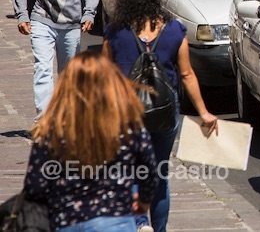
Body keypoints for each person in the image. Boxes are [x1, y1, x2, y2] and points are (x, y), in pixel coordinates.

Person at [103, 0, 218, 232]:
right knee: (159, 175)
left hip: (127, 111)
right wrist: (203, 112)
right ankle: (159, 229)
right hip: (165, 112)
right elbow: (187, 75)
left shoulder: (116, 31)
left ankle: (140, 223)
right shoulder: (174, 31)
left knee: (132, 171)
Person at [24, 51, 159, 232]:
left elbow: (34, 186)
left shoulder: (52, 131)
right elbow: (149, 171)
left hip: (66, 220)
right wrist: (143, 202)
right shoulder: (128, 128)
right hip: (115, 219)